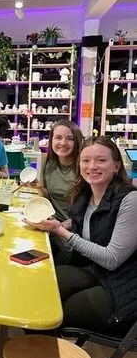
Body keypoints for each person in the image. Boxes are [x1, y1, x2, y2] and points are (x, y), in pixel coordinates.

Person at [24, 136, 137, 334]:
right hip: (96, 271)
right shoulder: (86, 194)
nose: (92, 166)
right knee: (38, 286)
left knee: (48, 312)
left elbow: (111, 259)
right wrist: (52, 226)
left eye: (101, 160)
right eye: (86, 160)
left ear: (116, 166)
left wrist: (59, 231)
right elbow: (80, 228)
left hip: (124, 285)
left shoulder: (130, 200)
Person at [34, 120, 83, 262]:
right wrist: (39, 188)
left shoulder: (83, 168)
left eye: (70, 138)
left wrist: (58, 228)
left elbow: (87, 211)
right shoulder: (49, 163)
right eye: (58, 137)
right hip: (51, 227)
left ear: (77, 141)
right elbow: (49, 197)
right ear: (51, 140)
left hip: (71, 234)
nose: (63, 143)